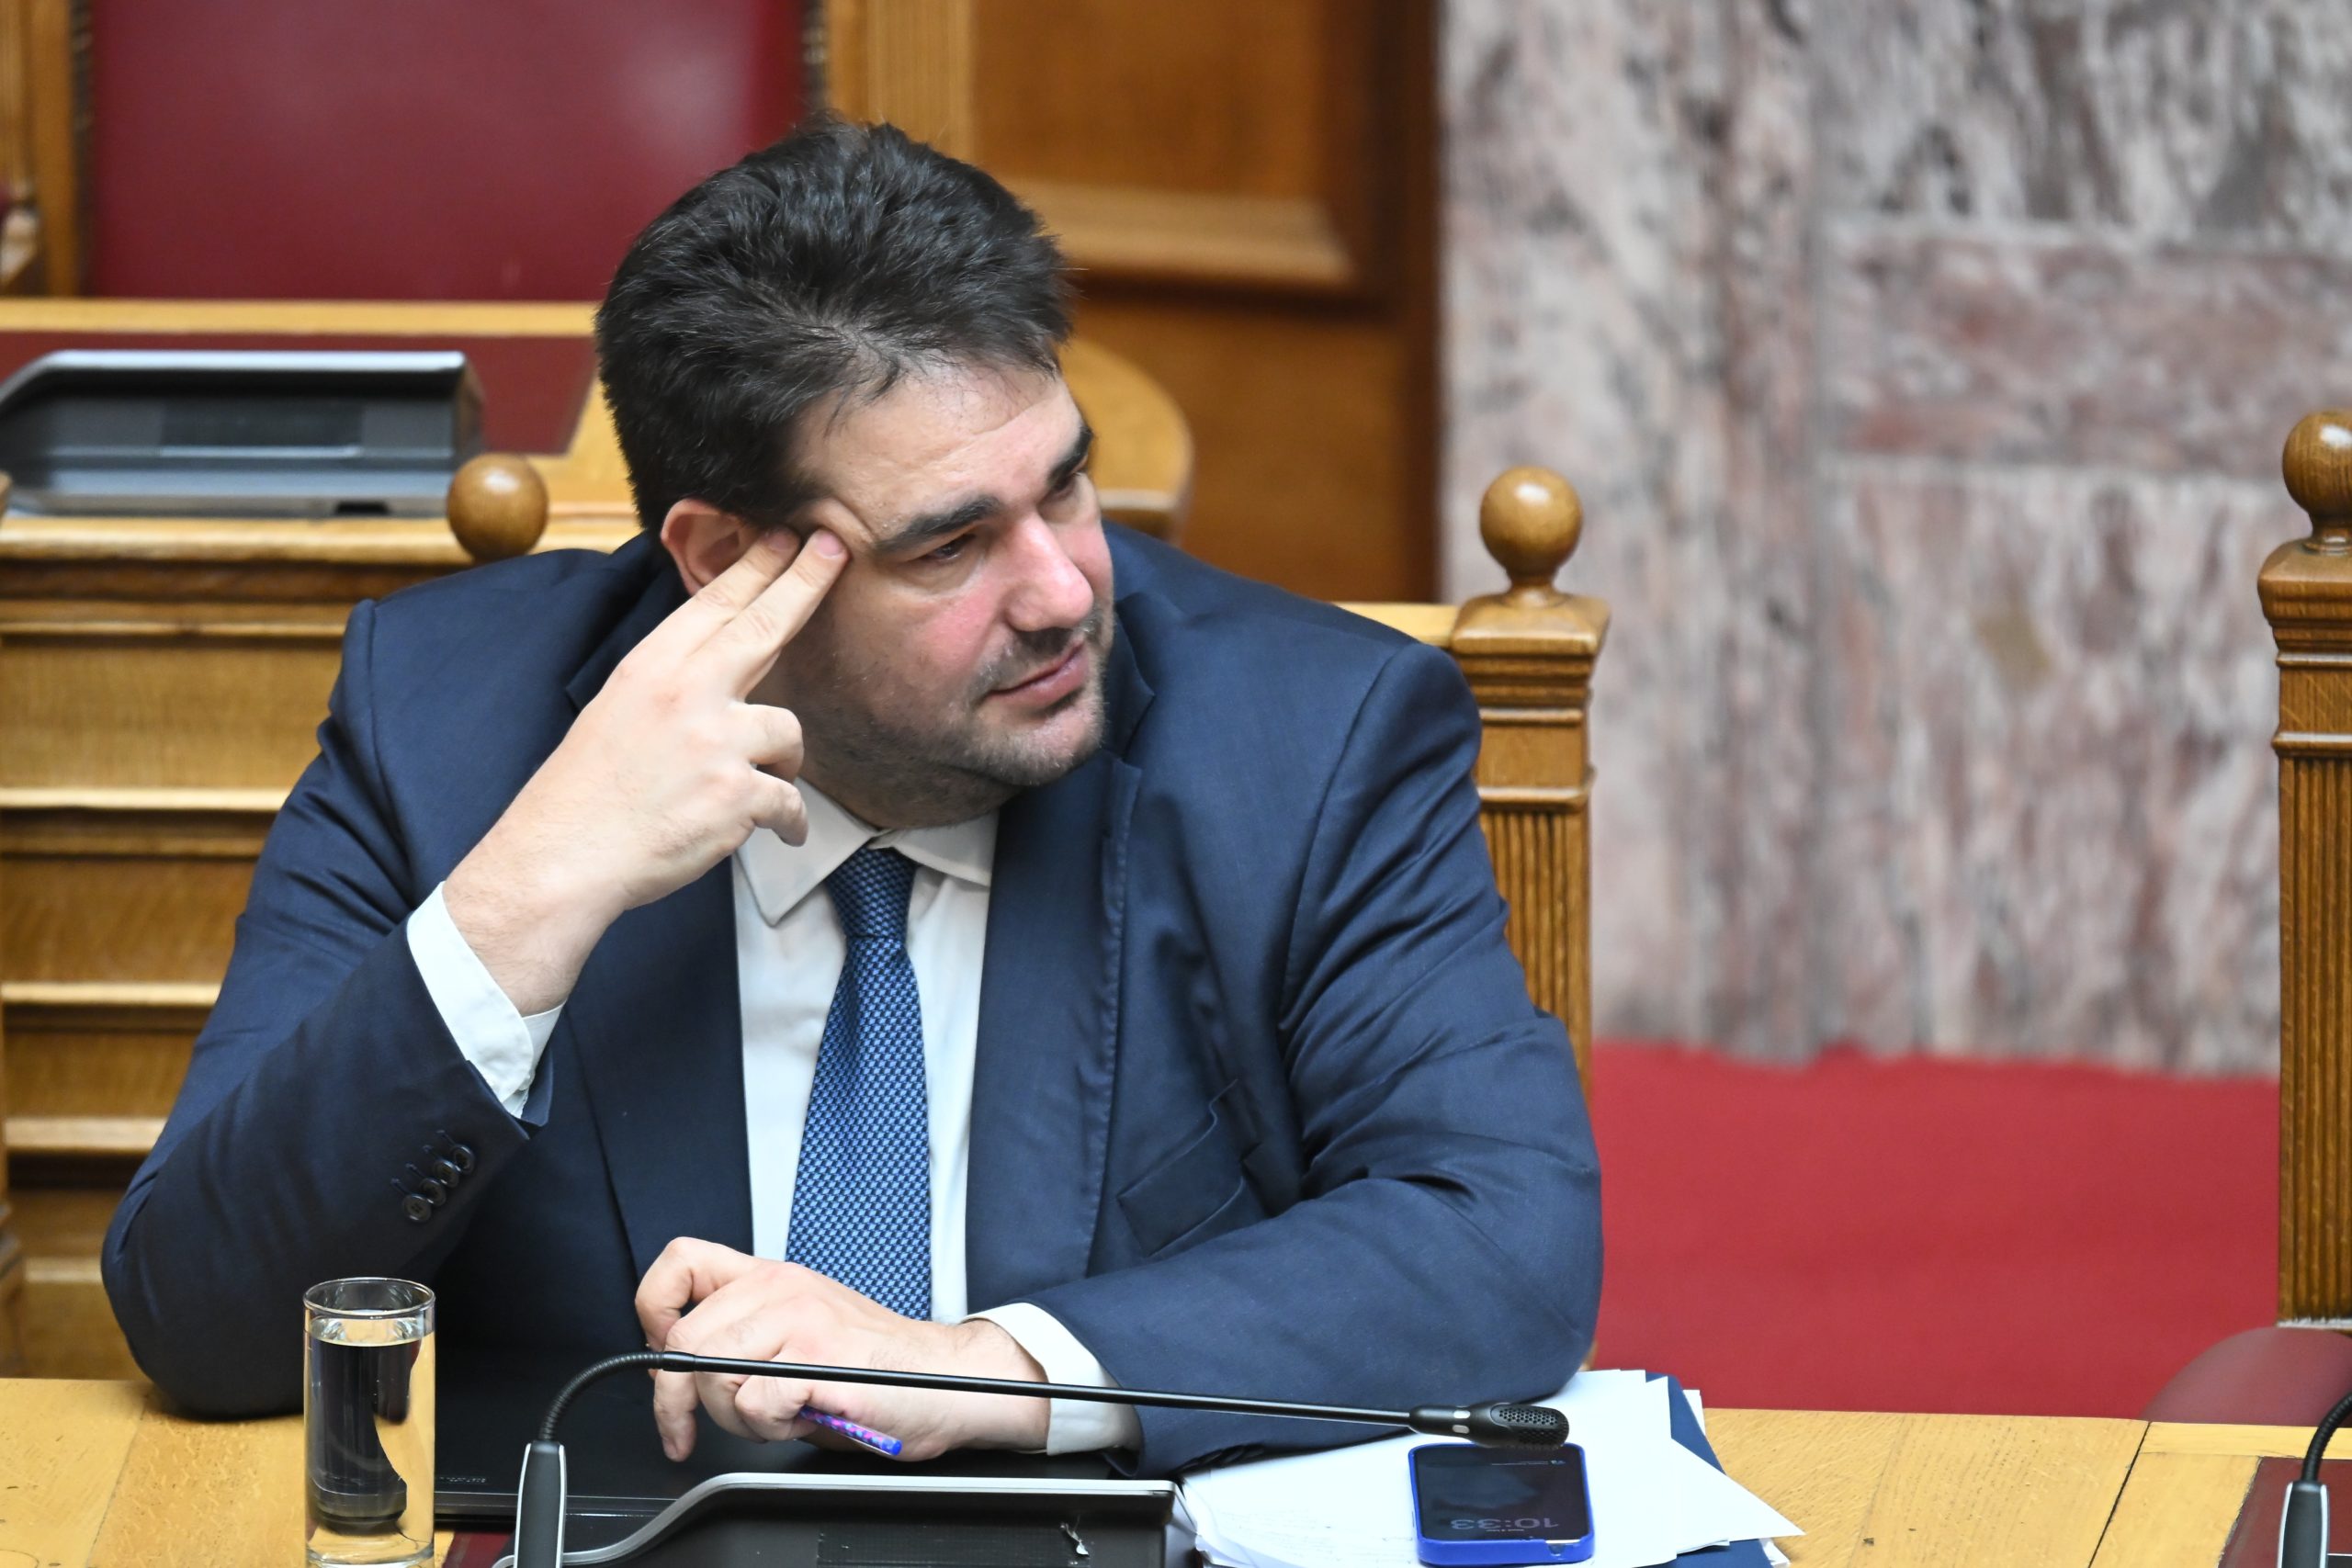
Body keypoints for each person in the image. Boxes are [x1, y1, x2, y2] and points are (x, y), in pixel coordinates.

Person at [102, 119, 1600, 1479]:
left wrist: (981, 1368)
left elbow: (1503, 1239)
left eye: (1065, 487)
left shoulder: (1308, 739)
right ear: (721, 563)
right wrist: (540, 884)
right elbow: (205, 1319)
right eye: (950, 546)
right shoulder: (451, 731)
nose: (1064, 592)